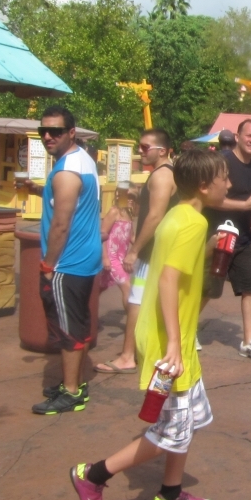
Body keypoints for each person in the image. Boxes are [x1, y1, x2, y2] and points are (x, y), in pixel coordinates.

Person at [70, 149, 230, 500]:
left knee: (186, 419)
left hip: (170, 336)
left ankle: (171, 493)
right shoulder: (192, 223)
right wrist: (174, 343)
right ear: (205, 186)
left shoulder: (182, 215)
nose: (230, 183)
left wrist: (215, 247)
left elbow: (176, 265)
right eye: (224, 177)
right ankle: (92, 476)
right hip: (167, 341)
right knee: (172, 429)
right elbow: (168, 280)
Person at [18, 106, 102, 415]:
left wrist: (47, 265)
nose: (47, 136)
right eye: (43, 131)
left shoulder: (67, 170)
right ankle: (73, 382)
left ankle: (71, 393)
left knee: (68, 330)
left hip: (67, 262)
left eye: (55, 131)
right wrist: (39, 190)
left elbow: (62, 223)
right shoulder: (81, 161)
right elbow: (66, 200)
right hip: (82, 258)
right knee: (75, 324)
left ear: (71, 132)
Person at [97, 130, 176, 375]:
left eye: (144, 147)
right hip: (159, 249)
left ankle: (128, 356)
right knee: (149, 301)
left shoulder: (162, 175)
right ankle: (148, 352)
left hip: (153, 251)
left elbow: (155, 215)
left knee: (135, 302)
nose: (140, 152)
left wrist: (134, 250)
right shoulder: (162, 174)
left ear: (161, 151)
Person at [203, 118, 251, 363]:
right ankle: (186, 331)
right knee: (207, 289)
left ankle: (248, 341)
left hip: (243, 237)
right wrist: (246, 205)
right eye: (248, 136)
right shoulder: (222, 163)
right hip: (218, 235)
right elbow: (210, 200)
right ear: (238, 136)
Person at [99, 195, 135, 320]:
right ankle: (132, 322)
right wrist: (105, 258)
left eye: (134, 197)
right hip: (111, 256)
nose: (131, 199)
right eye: (129, 196)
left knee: (99, 288)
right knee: (127, 286)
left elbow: (132, 237)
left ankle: (87, 314)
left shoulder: (129, 214)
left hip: (121, 258)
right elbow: (102, 234)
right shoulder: (114, 211)